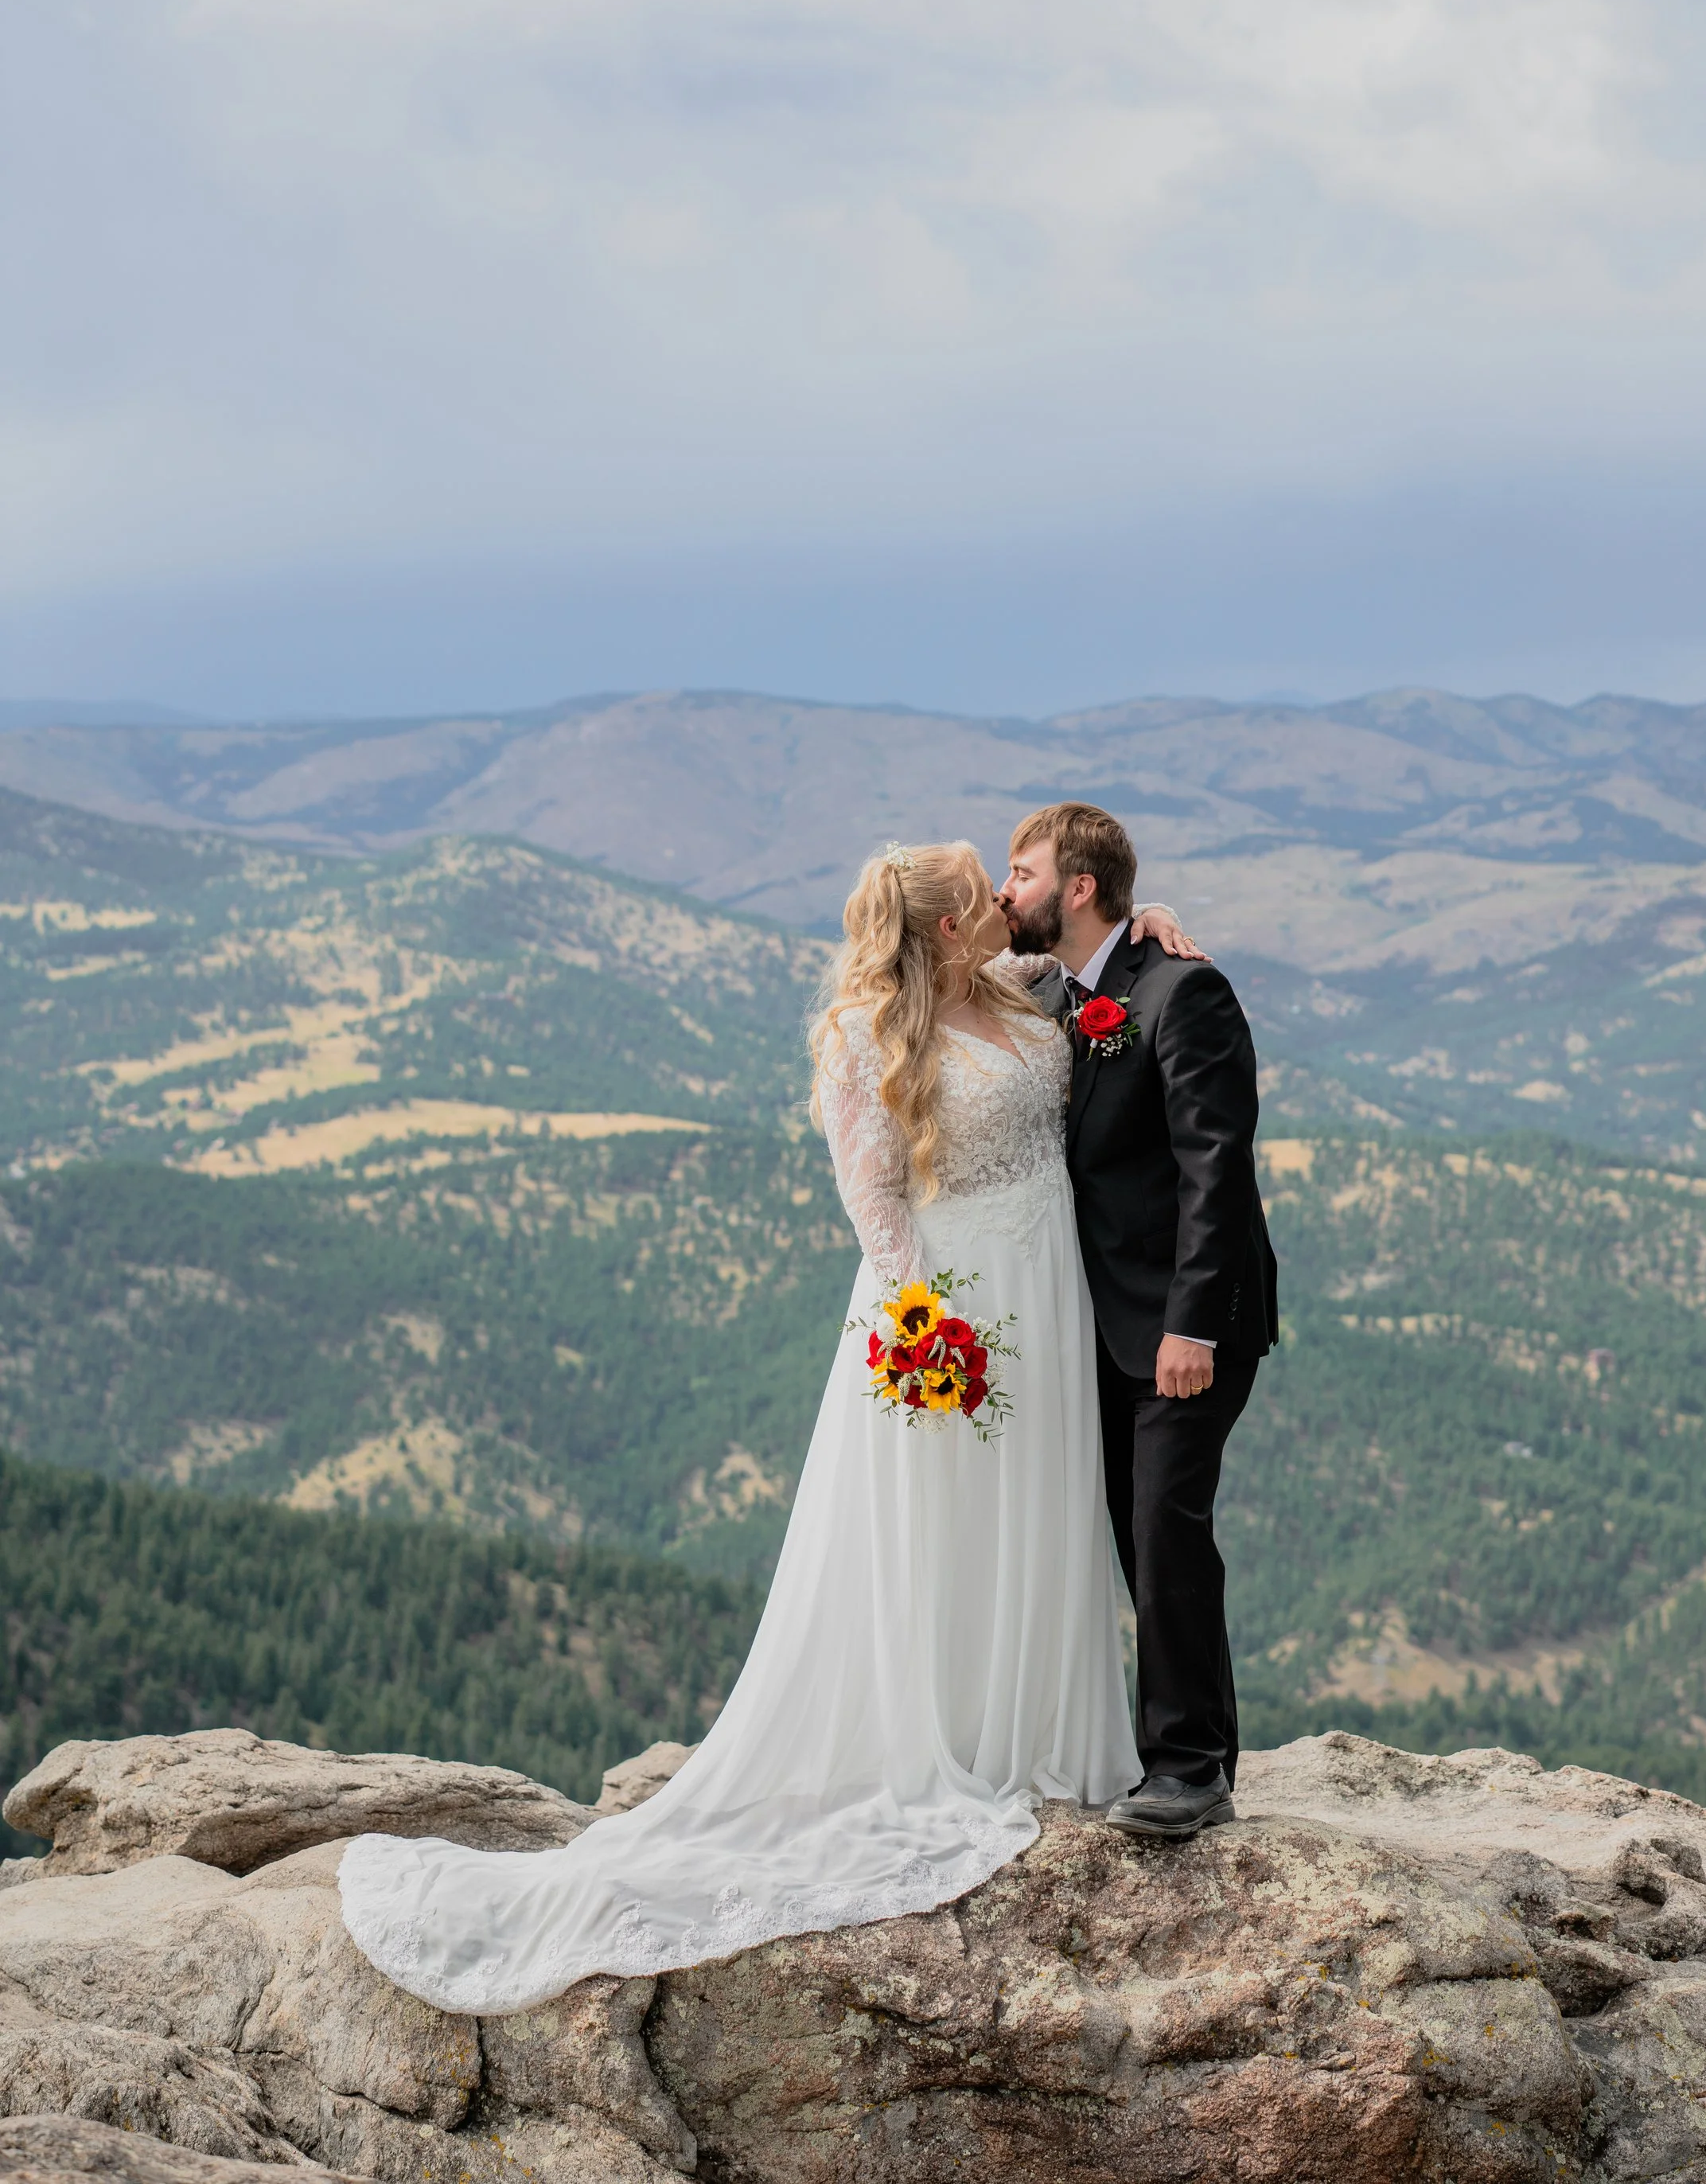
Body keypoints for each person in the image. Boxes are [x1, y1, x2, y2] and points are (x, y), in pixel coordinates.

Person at [338, 841, 1194, 2015]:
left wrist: (1155, 927)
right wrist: (923, 1329)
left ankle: (1039, 1734)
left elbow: (1106, 994)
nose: (1007, 898)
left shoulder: (1021, 990)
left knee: (1042, 1515)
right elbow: (875, 1197)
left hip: (1054, 1293)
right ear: (948, 926)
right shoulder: (859, 1033)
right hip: (952, 1309)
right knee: (949, 1526)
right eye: (982, 889)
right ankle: (948, 1741)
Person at [1001, 802, 1277, 1839]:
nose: (1001, 887)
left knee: (1166, 1527)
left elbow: (1218, 1165)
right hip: (1105, 1323)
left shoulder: (1181, 990)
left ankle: (1188, 1769)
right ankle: (1202, 1747)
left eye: (1020, 870)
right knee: (1142, 1533)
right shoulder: (1073, 990)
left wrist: (1194, 1327)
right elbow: (951, 934)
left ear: (1077, 887)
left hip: (1187, 1325)